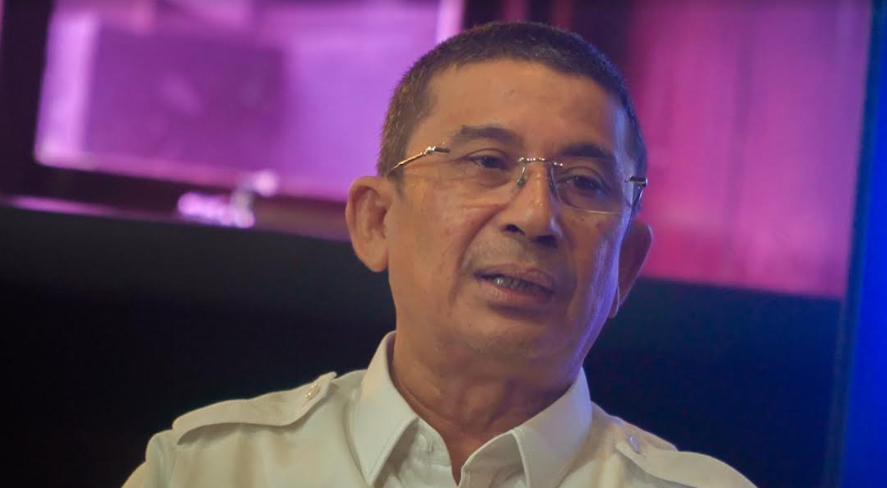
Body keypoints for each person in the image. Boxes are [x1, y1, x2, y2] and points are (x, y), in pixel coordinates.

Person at [123, 21, 755, 488]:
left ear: (624, 267)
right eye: (487, 162)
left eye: (586, 182)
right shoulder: (208, 470)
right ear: (377, 221)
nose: (536, 216)